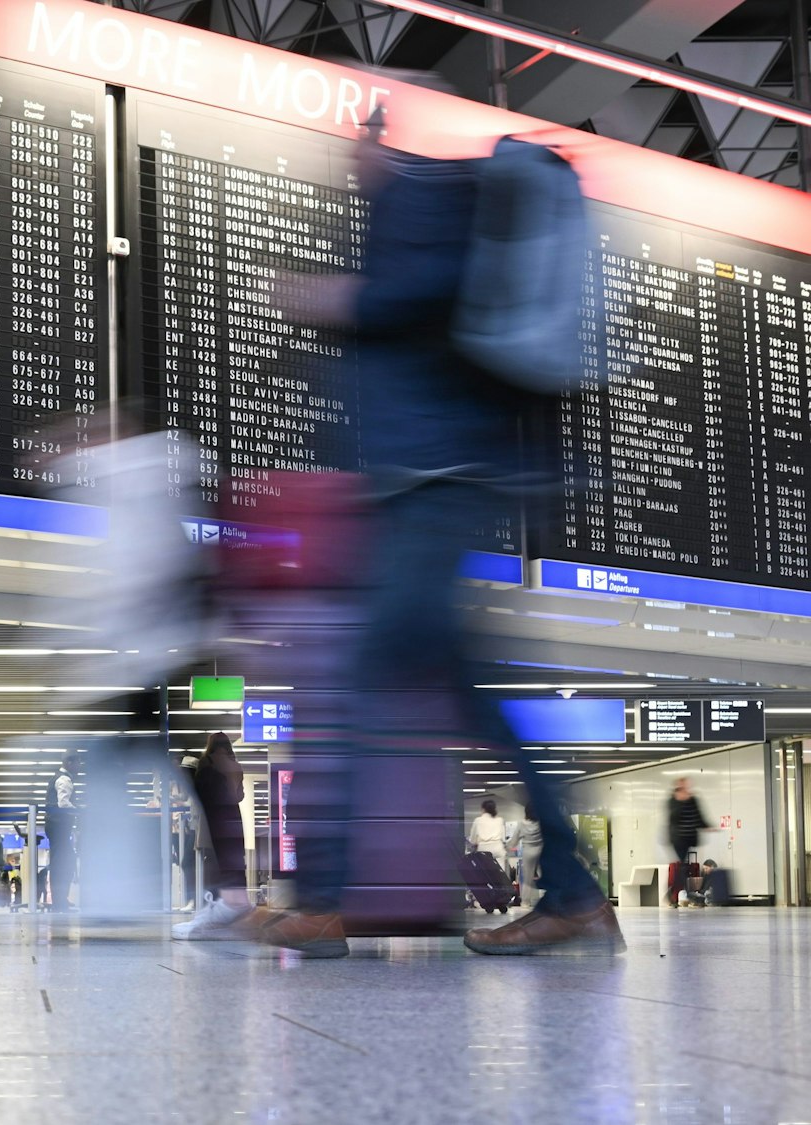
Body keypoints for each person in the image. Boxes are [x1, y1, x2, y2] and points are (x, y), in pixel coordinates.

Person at [258, 91, 622, 958]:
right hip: (432, 482)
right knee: (465, 692)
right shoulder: (418, 203)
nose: (347, 154)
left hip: (437, 479)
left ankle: (323, 899)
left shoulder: (420, 199)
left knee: (359, 677)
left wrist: (345, 300)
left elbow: (427, 296)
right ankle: (576, 893)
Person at [174, 733, 257, 940]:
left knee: (211, 863)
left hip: (213, 817)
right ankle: (232, 906)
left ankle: (220, 908)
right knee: (233, 861)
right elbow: (239, 796)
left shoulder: (207, 763)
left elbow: (199, 792)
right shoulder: (235, 765)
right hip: (233, 816)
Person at [46, 753, 82, 913]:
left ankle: (60, 900)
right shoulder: (64, 779)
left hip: (56, 826)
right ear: (69, 762)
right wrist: (80, 811)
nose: (79, 766)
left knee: (63, 861)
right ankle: (59, 902)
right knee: (62, 863)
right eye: (78, 763)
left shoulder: (59, 777)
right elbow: (63, 804)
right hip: (59, 826)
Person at [667, 777, 708, 908]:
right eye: (684, 786)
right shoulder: (673, 800)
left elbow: (698, 815)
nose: (687, 788)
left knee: (683, 868)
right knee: (683, 868)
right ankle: (688, 895)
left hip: (689, 838)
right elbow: (673, 817)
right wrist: (680, 800)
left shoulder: (693, 799)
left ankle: (673, 895)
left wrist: (707, 826)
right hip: (678, 839)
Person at [515, 808, 544, 910]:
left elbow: (515, 839)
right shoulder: (542, 823)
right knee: (545, 876)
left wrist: (508, 846)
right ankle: (549, 900)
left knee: (527, 880)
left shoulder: (521, 824)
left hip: (528, 852)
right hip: (540, 851)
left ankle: (525, 903)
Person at [469, 800, 508, 866]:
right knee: (500, 871)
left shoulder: (478, 820)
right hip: (497, 848)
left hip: (483, 849)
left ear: (483, 809)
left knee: (484, 870)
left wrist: (475, 842)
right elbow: (503, 839)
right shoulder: (500, 820)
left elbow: (472, 840)